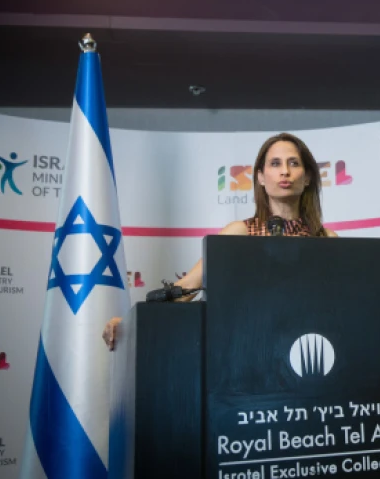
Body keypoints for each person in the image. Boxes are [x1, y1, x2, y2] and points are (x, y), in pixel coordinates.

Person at [102, 133, 337, 350]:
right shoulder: (240, 233)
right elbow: (186, 288)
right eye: (275, 164)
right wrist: (131, 322)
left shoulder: (326, 240)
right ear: (260, 177)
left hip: (309, 349)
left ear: (307, 177)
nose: (284, 171)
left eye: (293, 163)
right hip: (249, 349)